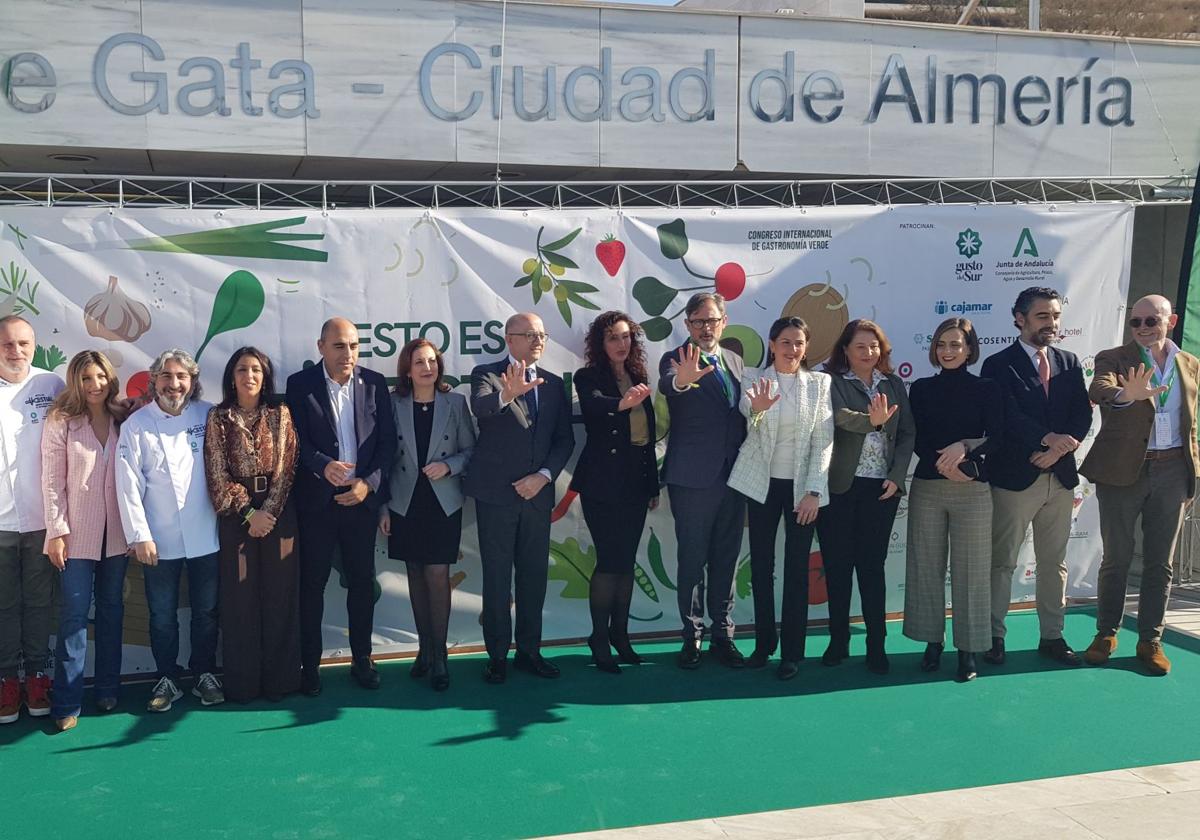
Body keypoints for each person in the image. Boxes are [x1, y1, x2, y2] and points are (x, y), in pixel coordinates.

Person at [1079, 294, 1200, 676]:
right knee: (1116, 557)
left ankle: (1151, 639)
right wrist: (1123, 395)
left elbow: (1191, 422)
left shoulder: (1190, 364)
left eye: (1152, 321)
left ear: (1172, 321)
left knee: (1160, 563)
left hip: (1173, 472)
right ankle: (1105, 633)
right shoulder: (1113, 357)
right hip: (1122, 472)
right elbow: (1099, 388)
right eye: (1137, 322)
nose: (1144, 328)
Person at [980, 288, 1092, 668]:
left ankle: (1052, 636)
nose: (1052, 324)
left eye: (1056, 316)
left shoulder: (1070, 361)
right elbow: (1005, 417)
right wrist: (1046, 440)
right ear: (1019, 318)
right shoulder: (998, 364)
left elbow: (1082, 415)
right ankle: (993, 637)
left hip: (1059, 478)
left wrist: (1058, 450)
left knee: (1053, 562)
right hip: (1014, 478)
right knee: (1002, 562)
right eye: (1043, 316)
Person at [285, 317, 396, 695]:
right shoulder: (300, 386)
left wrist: (369, 485)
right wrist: (322, 466)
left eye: (353, 346)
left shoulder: (375, 383)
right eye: (338, 346)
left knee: (362, 583)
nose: (347, 353)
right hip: (317, 504)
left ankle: (362, 658)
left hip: (360, 502)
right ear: (320, 347)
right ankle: (309, 665)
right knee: (311, 585)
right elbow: (294, 442)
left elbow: (387, 445)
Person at [465, 312, 574, 684]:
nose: (538, 340)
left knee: (534, 578)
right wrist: (506, 394)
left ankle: (530, 651)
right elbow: (481, 409)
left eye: (541, 334)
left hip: (536, 496)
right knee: (497, 578)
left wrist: (543, 478)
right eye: (530, 334)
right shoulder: (486, 374)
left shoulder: (556, 385)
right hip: (496, 497)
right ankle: (497, 655)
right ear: (510, 340)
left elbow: (564, 441)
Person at [116, 349, 223, 712]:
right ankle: (166, 677)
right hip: (158, 540)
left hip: (207, 534)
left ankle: (204, 673)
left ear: (192, 381)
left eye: (181, 376)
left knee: (206, 612)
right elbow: (127, 484)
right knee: (162, 615)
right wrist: (139, 535)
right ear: (154, 381)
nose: (174, 384)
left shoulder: (209, 415)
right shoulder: (137, 425)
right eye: (166, 376)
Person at [728, 317, 833, 680]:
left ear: (806, 347)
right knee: (761, 567)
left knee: (796, 570)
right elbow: (749, 419)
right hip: (762, 486)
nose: (792, 350)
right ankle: (763, 644)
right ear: (772, 345)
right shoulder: (753, 378)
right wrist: (757, 409)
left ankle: (792, 652)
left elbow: (824, 441)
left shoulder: (820, 384)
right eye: (785, 342)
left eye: (799, 343)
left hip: (802, 490)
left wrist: (814, 492)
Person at [903, 318, 1004, 683]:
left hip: (973, 490)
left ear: (970, 349)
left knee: (972, 572)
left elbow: (997, 437)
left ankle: (969, 649)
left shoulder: (987, 388)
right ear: (934, 348)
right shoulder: (921, 389)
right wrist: (941, 465)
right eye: (942, 344)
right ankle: (932, 641)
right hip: (929, 487)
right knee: (926, 568)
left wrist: (967, 455)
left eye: (956, 345)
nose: (948, 351)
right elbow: (915, 437)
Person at [817, 319, 915, 675]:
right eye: (860, 347)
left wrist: (896, 476)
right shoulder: (831, 383)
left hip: (881, 489)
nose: (868, 353)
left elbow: (906, 434)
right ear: (845, 350)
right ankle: (838, 640)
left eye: (874, 347)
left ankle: (877, 645)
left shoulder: (893, 384)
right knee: (838, 568)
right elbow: (839, 419)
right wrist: (872, 421)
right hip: (840, 488)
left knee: (871, 569)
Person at [204, 347, 300, 703]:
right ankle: (243, 684)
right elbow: (216, 473)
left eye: (256, 370)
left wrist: (267, 514)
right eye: (243, 369)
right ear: (232, 376)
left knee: (280, 596)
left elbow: (287, 469)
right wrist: (249, 514)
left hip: (279, 515)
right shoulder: (219, 418)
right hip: (237, 517)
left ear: (265, 376)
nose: (250, 376)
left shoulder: (281, 414)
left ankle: (282, 681)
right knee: (240, 600)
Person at [658, 292, 748, 669]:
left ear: (723, 322)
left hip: (735, 476)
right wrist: (682, 380)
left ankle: (722, 635)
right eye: (698, 321)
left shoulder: (736, 361)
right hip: (693, 478)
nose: (706, 328)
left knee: (726, 558)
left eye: (712, 321)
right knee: (693, 559)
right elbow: (669, 385)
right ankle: (691, 636)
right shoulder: (675, 359)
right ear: (687, 325)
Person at [380, 339, 475, 692]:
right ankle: (423, 649)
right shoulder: (393, 404)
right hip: (405, 502)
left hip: (442, 502)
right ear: (407, 369)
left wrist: (448, 466)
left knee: (437, 574)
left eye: (432, 361)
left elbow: (470, 450)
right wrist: (382, 508)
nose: (427, 368)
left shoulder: (455, 402)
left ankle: (440, 656)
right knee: (416, 576)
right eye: (419, 362)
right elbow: (383, 459)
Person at [41, 352, 128, 732]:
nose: (95, 385)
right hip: (76, 536)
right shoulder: (62, 421)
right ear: (74, 382)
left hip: (119, 535)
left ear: (110, 379)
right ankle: (67, 701)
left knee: (111, 612)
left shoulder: (123, 418)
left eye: (100, 377)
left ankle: (108, 689)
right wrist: (57, 531)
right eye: (86, 379)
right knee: (74, 619)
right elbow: (51, 481)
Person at [571, 312, 659, 674]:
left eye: (625, 337)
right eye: (612, 338)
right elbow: (593, 405)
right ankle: (599, 637)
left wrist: (652, 485)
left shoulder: (639, 377)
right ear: (599, 344)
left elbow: (647, 439)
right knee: (609, 563)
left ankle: (620, 636)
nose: (621, 344)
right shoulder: (587, 376)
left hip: (636, 485)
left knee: (625, 564)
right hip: (601, 485)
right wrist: (621, 404)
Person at [0, 316, 66, 726]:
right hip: (1, 523)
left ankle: (39, 677)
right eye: (8, 344)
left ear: (34, 345)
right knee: (5, 605)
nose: (16, 351)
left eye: (23, 343)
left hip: (42, 519)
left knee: (41, 603)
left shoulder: (51, 386)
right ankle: (7, 680)